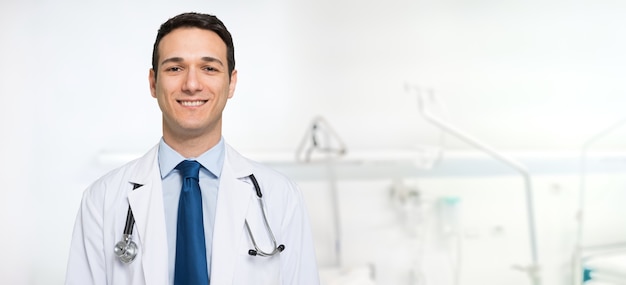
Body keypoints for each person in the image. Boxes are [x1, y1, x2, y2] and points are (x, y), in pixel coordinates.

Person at [65, 12, 320, 285]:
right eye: (175, 68)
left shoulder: (281, 196)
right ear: (153, 82)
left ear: (231, 82)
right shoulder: (102, 199)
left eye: (209, 68)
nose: (192, 85)